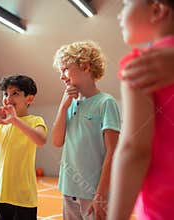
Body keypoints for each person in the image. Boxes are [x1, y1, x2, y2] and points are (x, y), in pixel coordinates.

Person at [108, 0, 174, 219]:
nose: (119, 15)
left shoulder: (141, 67)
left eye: (126, 4)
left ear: (156, 10)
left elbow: (134, 150)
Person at [52, 41, 121, 220]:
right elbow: (57, 141)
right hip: (68, 191)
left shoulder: (106, 103)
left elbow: (113, 151)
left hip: (94, 194)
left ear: (85, 66)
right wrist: (62, 108)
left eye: (65, 69)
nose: (62, 76)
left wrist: (101, 193)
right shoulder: (69, 104)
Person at [0, 75, 47, 220]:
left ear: (29, 99)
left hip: (24, 199)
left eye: (15, 94)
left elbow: (41, 140)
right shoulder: (0, 125)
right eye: (5, 94)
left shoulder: (35, 121)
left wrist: (15, 121)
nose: (8, 98)